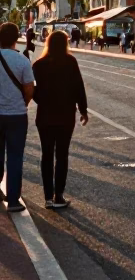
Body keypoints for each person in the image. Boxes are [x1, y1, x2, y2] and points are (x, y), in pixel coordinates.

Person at [32, 29, 88, 209]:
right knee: (62, 155)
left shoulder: (38, 65)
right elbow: (79, 87)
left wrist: (42, 101)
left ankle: (47, 197)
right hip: (65, 116)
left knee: (46, 155)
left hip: (45, 116)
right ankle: (59, 196)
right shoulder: (70, 62)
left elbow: (33, 90)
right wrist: (83, 110)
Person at [0, 21, 35, 212]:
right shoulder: (22, 61)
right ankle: (13, 200)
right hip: (17, 116)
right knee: (14, 157)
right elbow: (29, 89)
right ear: (16, 39)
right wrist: (22, 103)